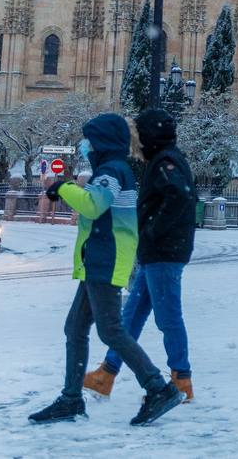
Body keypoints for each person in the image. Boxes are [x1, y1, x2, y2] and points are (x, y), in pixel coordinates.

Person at [27, 112, 183, 426]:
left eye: (89, 139)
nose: (85, 145)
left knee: (110, 329)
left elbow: (93, 205)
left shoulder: (111, 171)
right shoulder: (112, 169)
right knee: (75, 328)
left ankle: (157, 387)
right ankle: (71, 398)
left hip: (105, 259)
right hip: (96, 259)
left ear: (102, 142)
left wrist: (62, 186)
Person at [83, 108, 197, 403]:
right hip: (156, 252)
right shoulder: (163, 159)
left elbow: (180, 196)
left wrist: (152, 231)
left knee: (168, 316)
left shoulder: (166, 162)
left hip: (164, 252)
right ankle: (106, 374)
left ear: (149, 136)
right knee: (131, 315)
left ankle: (181, 378)